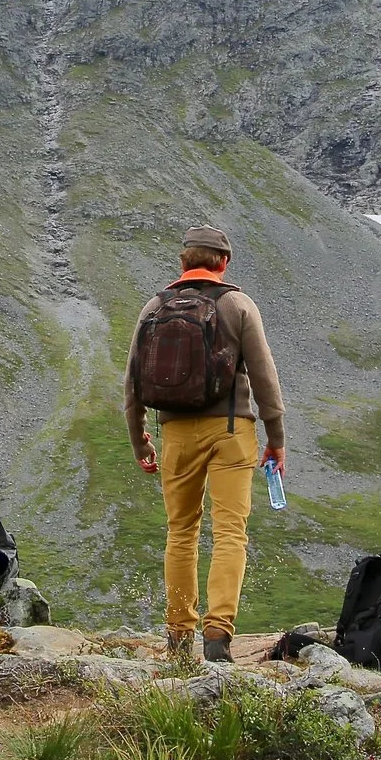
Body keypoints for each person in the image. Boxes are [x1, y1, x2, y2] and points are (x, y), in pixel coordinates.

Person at [124, 226, 287, 663]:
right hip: (231, 431)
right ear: (224, 262)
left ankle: (178, 637)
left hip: (175, 434)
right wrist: (276, 440)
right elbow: (265, 378)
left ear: (182, 262)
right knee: (230, 531)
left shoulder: (154, 306)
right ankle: (217, 638)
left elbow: (133, 381)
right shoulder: (237, 304)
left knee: (181, 532)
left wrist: (139, 439)